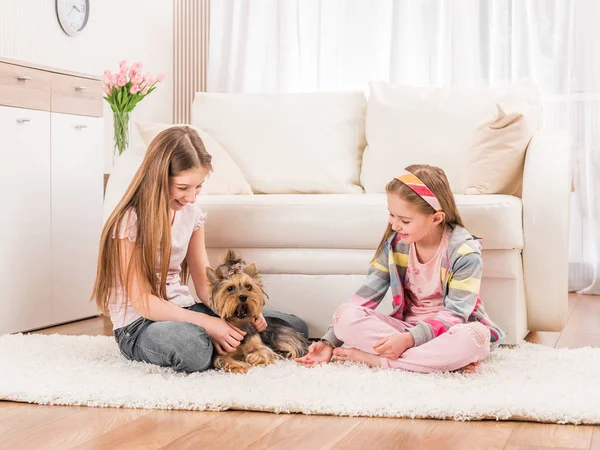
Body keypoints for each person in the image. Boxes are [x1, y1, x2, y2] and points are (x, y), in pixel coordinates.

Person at [91, 126, 308, 373]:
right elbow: (143, 303)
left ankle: (213, 338)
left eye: (198, 187)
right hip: (140, 324)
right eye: (183, 188)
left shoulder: (192, 215)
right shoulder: (130, 221)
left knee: (294, 327)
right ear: (157, 178)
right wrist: (209, 324)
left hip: (185, 310)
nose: (192, 197)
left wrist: (249, 312)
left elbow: (205, 287)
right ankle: (207, 340)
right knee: (194, 348)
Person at [296, 164, 505, 373]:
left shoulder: (465, 253)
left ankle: (376, 360)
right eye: (391, 215)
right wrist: (329, 342)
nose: (395, 225)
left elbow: (456, 314)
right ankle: (436, 363)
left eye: (404, 220)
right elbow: (365, 296)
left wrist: (409, 340)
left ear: (436, 218)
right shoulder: (395, 245)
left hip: (448, 331)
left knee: (474, 339)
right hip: (403, 329)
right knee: (345, 315)